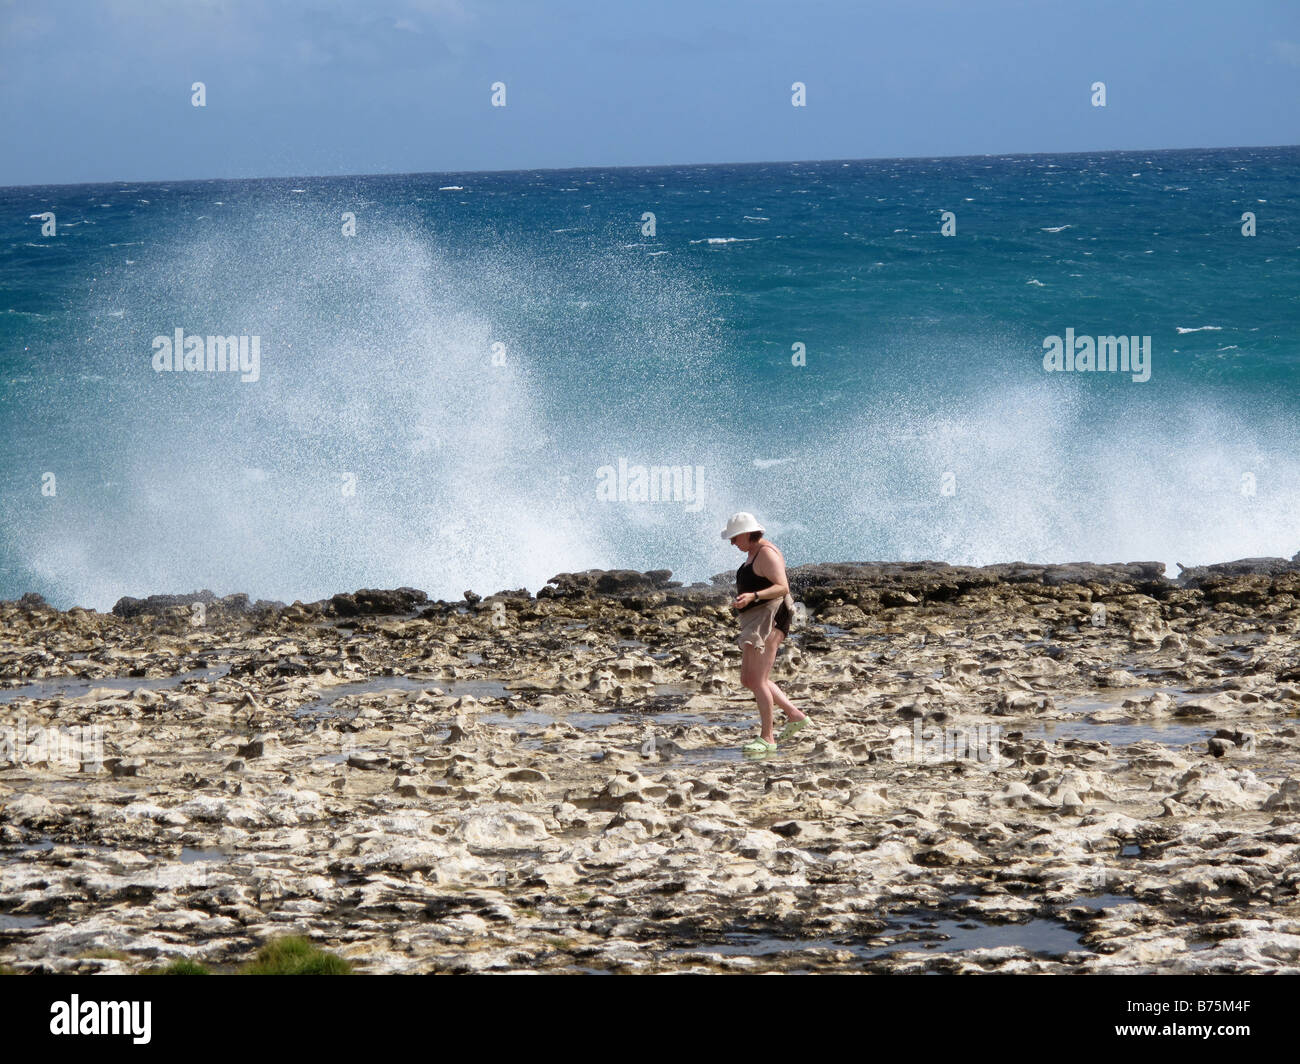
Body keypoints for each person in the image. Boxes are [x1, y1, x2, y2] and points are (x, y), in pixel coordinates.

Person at [720, 512, 809, 755]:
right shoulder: (752, 553)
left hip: (770, 620)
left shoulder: (767, 553)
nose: (732, 543)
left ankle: (768, 738)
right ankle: (794, 715)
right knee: (750, 679)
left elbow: (782, 587)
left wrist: (754, 596)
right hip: (757, 619)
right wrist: (746, 599)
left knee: (757, 680)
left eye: (734, 538)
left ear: (747, 533)